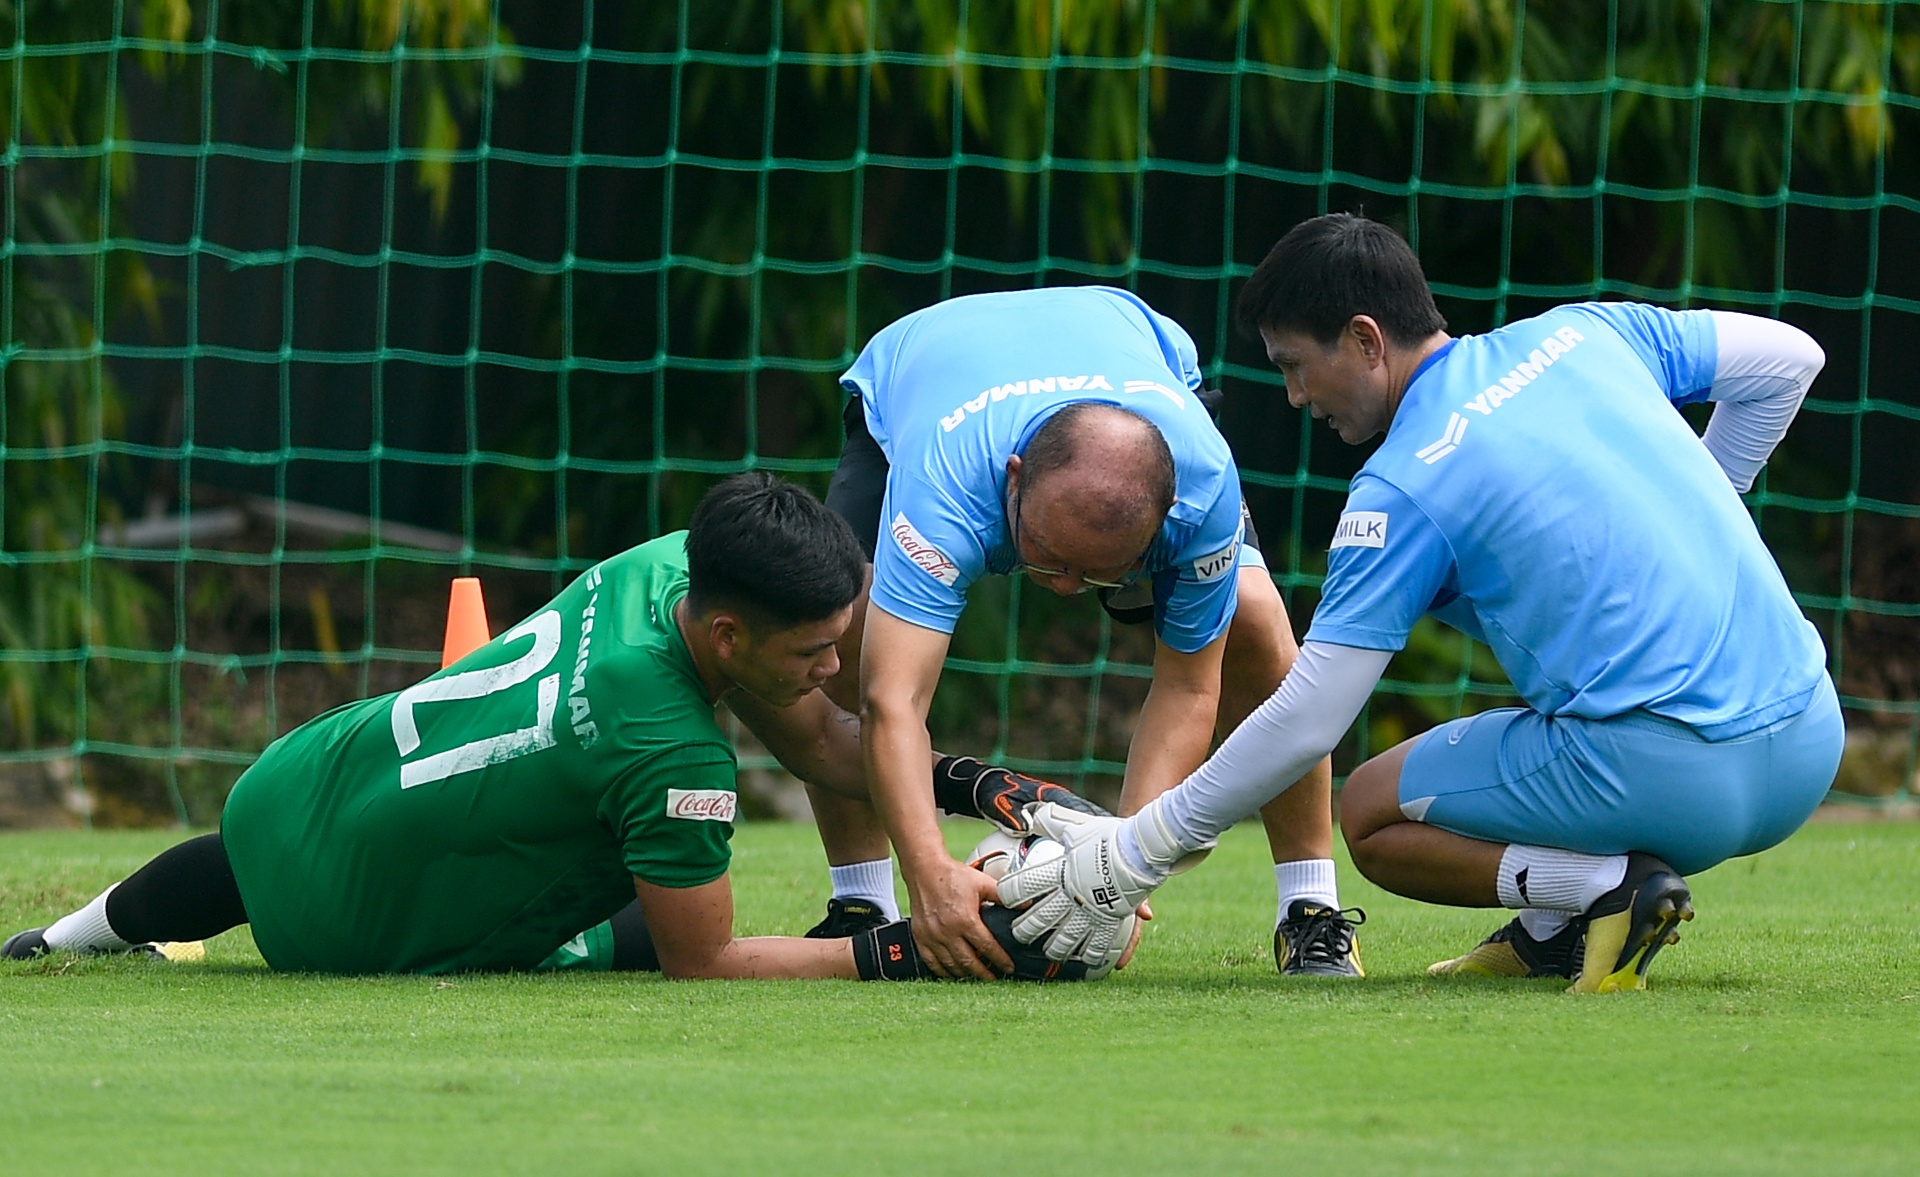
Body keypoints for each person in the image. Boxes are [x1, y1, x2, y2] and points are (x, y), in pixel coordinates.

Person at [996, 213, 1845, 993]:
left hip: (1679, 783)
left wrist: (1135, 849)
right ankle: (1550, 934)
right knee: (1548, 715)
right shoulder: (1584, 333)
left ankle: (1603, 892)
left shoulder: (1400, 486)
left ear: (1365, 339)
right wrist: (1707, 499)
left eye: (1296, 365)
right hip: (1811, 742)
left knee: (1370, 812)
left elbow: (1307, 720)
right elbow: (1791, 359)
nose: (1294, 397)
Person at [1, 475, 1071, 983]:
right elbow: (706, 962)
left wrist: (990, 791)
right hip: (358, 940)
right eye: (812, 654)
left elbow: (835, 741)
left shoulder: (668, 564)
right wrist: (899, 951)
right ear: (736, 636)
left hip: (296, 784)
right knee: (655, 927)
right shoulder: (678, 759)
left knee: (262, 853)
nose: (833, 671)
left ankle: (58, 941)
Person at [769, 285, 1357, 981]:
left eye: (1099, 571)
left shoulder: (1200, 487)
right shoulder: (948, 485)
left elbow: (1191, 684)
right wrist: (929, 873)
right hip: (929, 365)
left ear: (1165, 516)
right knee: (847, 631)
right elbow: (892, 701)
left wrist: (1127, 866)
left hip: (1136, 354)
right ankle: (861, 901)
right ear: (1012, 484)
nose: (1068, 587)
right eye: (1048, 555)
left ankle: (1311, 909)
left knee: (1255, 624)